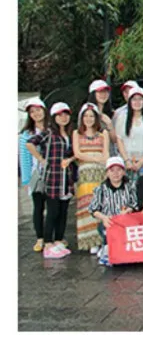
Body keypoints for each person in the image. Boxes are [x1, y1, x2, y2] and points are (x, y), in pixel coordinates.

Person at [26, 102, 77, 259]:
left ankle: (58, 240)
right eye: (60, 115)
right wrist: (41, 160)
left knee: (63, 211)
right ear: (54, 117)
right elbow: (30, 143)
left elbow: (74, 153)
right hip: (53, 178)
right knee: (53, 211)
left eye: (66, 114)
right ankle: (48, 242)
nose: (63, 118)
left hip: (66, 177)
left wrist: (70, 159)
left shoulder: (70, 133)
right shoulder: (49, 132)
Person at [73, 103, 110, 254]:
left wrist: (100, 161)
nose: (89, 119)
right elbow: (78, 154)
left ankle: (101, 239)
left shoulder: (103, 134)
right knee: (86, 205)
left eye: (92, 116)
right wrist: (95, 157)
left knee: (100, 205)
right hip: (85, 175)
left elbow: (106, 154)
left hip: (100, 173)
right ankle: (90, 241)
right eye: (86, 116)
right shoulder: (77, 133)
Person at [88, 157, 138, 267]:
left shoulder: (129, 186)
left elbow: (134, 204)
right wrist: (104, 218)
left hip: (126, 222)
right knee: (108, 235)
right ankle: (106, 248)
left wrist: (128, 210)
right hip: (109, 222)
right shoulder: (101, 189)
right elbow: (93, 209)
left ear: (123, 172)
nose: (116, 173)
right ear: (107, 173)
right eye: (112, 170)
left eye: (119, 170)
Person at [19, 97, 48, 253]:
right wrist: (26, 180)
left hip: (53, 174)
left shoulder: (52, 129)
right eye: (32, 112)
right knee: (38, 207)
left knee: (53, 207)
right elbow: (24, 158)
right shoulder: (26, 134)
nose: (36, 114)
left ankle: (53, 237)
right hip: (36, 174)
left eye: (38, 110)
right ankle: (40, 237)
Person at [115, 87, 143, 182]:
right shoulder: (122, 117)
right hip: (126, 161)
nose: (137, 102)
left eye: (140, 99)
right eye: (134, 99)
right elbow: (119, 140)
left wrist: (141, 161)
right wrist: (126, 160)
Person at [86, 79, 117, 147]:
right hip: (92, 150)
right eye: (100, 92)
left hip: (110, 151)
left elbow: (115, 140)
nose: (103, 94)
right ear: (93, 94)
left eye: (106, 91)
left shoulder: (112, 113)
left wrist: (109, 123)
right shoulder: (86, 112)